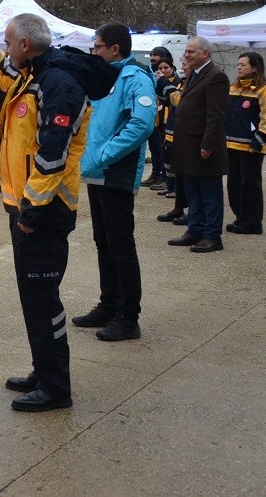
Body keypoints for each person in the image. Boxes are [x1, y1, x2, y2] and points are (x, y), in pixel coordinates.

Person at [0, 3, 115, 413]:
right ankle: (43, 369)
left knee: (43, 299)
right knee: (33, 298)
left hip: (45, 211)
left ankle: (56, 387)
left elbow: (53, 154)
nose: (5, 48)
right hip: (27, 207)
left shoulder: (58, 84)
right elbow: (0, 69)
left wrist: (32, 212)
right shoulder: (32, 73)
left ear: (25, 44)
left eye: (8, 41)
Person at [73, 23, 156, 342]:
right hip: (96, 169)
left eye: (97, 46)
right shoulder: (104, 77)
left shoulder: (135, 77)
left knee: (121, 245)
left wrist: (104, 154)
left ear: (114, 48)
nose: (93, 51)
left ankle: (128, 316)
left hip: (115, 172)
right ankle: (108, 305)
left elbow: (142, 124)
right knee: (103, 241)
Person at [168, 37, 230, 253]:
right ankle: (195, 230)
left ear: (205, 53)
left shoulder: (216, 77)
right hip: (187, 146)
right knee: (192, 191)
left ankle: (212, 236)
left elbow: (216, 115)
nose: (186, 55)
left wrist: (208, 144)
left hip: (203, 146)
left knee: (209, 194)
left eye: (191, 52)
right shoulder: (193, 75)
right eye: (186, 52)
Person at [224, 51, 266, 235]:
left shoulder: (264, 91)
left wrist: (259, 140)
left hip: (251, 147)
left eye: (243, 64)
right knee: (233, 185)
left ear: (254, 67)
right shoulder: (233, 88)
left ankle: (253, 222)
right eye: (238, 64)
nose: (239, 67)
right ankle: (241, 217)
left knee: (249, 185)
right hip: (231, 145)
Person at [155, 61, 188, 224]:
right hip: (171, 131)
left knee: (187, 176)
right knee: (175, 170)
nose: (184, 63)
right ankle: (178, 207)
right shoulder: (185, 82)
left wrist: (163, 83)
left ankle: (192, 213)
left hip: (184, 136)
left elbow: (177, 100)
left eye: (187, 61)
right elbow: (165, 100)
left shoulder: (186, 83)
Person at [142, 47, 173, 187]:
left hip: (165, 119)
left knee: (163, 149)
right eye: (151, 54)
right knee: (154, 148)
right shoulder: (150, 74)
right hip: (153, 116)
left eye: (156, 55)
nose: (152, 57)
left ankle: (163, 176)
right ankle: (155, 174)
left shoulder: (170, 79)